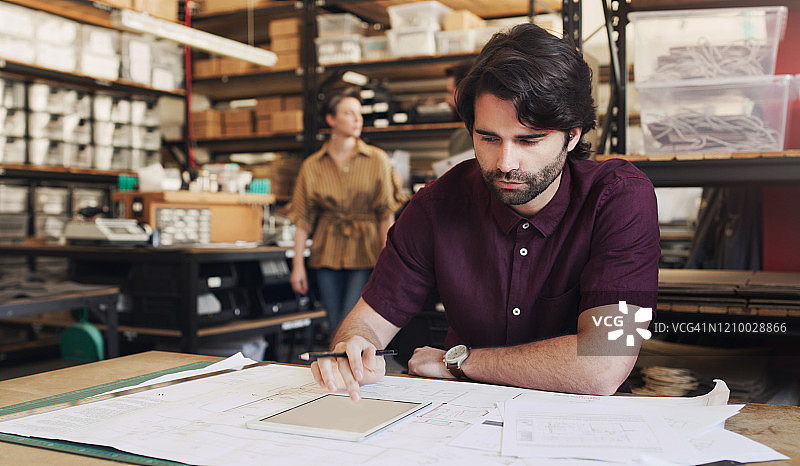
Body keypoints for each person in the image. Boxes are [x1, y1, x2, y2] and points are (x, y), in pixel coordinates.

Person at [312, 24, 660, 399]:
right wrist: (352, 347)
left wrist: (458, 362)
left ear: (572, 135)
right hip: (463, 415)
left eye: (529, 140)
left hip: (583, 420)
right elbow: (366, 322)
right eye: (488, 138)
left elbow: (604, 364)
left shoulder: (622, 198)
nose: (505, 163)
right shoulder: (435, 206)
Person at [286, 87, 406, 337]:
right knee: (333, 324)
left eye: (359, 114)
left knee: (351, 325)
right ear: (331, 119)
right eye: (349, 113)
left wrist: (388, 261)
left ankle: (349, 361)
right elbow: (303, 219)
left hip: (366, 251)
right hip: (326, 252)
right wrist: (297, 266)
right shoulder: (312, 165)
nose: (357, 119)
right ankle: (339, 362)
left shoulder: (377, 160)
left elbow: (386, 214)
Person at [444, 61, 474, 157]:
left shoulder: (464, 138)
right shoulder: (460, 136)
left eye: (450, 92)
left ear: (465, 91)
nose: (447, 101)